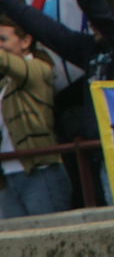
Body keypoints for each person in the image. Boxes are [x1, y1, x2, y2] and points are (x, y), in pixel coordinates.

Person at [0, 14, 69, 218]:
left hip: (40, 172)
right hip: (8, 176)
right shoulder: (5, 83)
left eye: (3, 39)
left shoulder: (40, 69)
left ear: (26, 41)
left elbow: (10, 64)